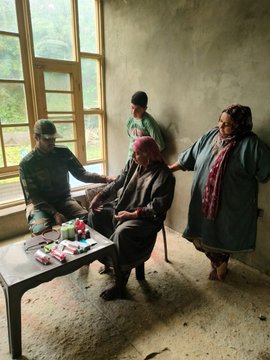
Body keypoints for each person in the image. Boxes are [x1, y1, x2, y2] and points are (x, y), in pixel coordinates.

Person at [169, 104, 270, 281]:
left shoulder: (251, 145)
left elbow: (265, 170)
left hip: (230, 205)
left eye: (228, 124)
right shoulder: (210, 136)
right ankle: (218, 263)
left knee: (222, 236)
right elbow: (190, 156)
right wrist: (168, 169)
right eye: (220, 121)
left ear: (240, 125)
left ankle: (221, 264)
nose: (221, 127)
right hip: (204, 201)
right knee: (200, 235)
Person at [88, 136, 175, 300]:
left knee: (123, 233)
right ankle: (109, 260)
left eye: (137, 153)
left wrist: (133, 214)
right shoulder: (133, 163)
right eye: (133, 154)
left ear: (148, 155)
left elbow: (158, 207)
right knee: (95, 215)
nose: (133, 157)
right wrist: (99, 197)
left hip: (146, 218)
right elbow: (117, 183)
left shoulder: (165, 176)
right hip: (123, 206)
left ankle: (121, 282)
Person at [19, 119, 113, 235]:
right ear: (36, 137)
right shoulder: (27, 164)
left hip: (63, 200)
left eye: (54, 138)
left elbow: (81, 174)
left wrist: (105, 179)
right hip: (40, 206)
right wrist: (55, 213)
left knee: (87, 221)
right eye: (47, 139)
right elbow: (33, 197)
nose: (52, 142)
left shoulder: (63, 153)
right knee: (42, 233)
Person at [126, 91, 165, 159]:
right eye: (132, 107)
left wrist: (146, 157)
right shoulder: (129, 120)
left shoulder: (149, 123)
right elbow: (130, 138)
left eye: (137, 109)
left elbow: (160, 146)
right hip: (130, 159)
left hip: (143, 162)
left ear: (145, 109)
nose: (133, 112)